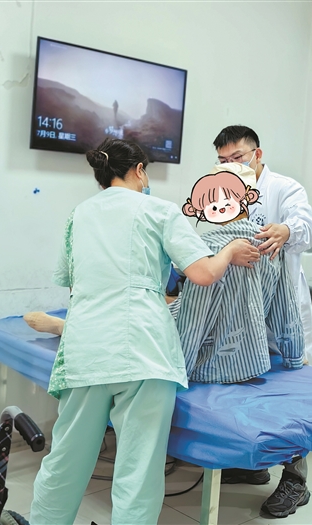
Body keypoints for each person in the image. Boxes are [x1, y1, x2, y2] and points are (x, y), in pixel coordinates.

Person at [28, 137, 260, 525]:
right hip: (144, 350)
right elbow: (203, 274)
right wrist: (230, 251)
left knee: (65, 461)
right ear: (139, 170)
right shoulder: (159, 210)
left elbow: (74, 284)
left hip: (86, 349)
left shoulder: (78, 215)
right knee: (138, 472)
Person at [211, 125, 312, 517]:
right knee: (246, 385)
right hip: (240, 309)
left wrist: (286, 230)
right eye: (222, 160)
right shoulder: (222, 192)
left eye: (237, 157)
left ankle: (295, 481)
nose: (230, 166)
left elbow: (305, 226)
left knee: (290, 392)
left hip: (281, 308)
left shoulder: (284, 188)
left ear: (257, 154)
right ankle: (253, 465)